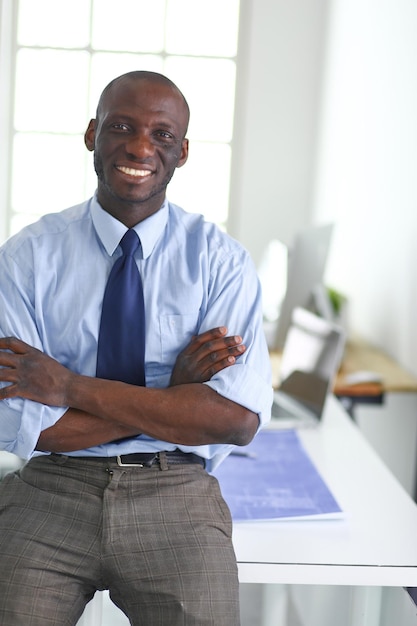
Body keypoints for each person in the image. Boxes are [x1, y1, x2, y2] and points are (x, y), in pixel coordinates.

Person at [0, 71, 272, 625]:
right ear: (91, 134)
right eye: (121, 127)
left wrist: (69, 386)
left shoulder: (220, 261)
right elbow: (27, 427)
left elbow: (234, 421)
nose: (140, 147)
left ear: (184, 151)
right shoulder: (25, 259)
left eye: (162, 135)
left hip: (175, 486)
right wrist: (173, 396)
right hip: (51, 483)